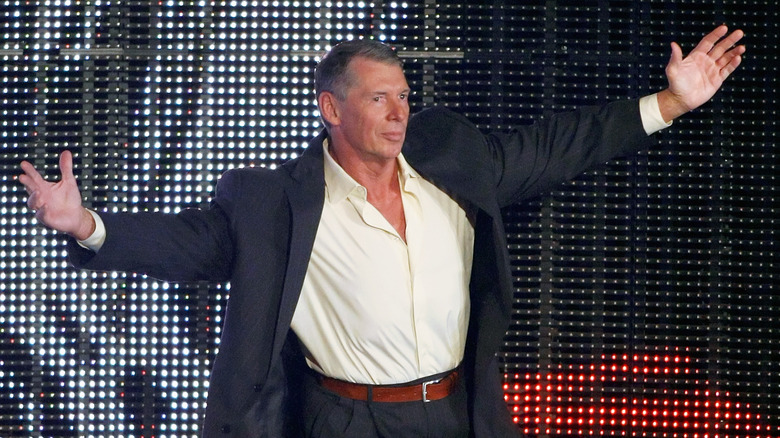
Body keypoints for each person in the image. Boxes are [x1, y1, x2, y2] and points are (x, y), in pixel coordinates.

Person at [19, 25, 744, 437]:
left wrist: (667, 104)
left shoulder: (453, 162)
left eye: (403, 96)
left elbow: (555, 147)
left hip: (457, 412)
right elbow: (183, 246)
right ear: (331, 111)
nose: (399, 112)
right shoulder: (273, 204)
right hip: (345, 420)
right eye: (379, 99)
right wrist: (83, 223)